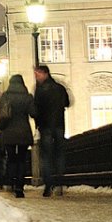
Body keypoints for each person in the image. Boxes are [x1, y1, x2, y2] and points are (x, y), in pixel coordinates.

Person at [32, 65, 72, 197]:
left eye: (37, 74)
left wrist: (37, 119)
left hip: (46, 126)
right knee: (59, 153)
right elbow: (67, 102)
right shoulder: (59, 88)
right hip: (59, 125)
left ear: (44, 74)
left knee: (46, 156)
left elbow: (36, 109)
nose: (36, 77)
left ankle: (48, 185)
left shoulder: (40, 90)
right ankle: (59, 183)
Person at [0, 75, 35, 198]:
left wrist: (0, 127)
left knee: (12, 158)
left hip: (9, 132)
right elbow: (34, 113)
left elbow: (2, 114)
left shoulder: (5, 96)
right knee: (22, 160)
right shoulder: (27, 97)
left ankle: (11, 182)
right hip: (24, 131)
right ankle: (20, 186)